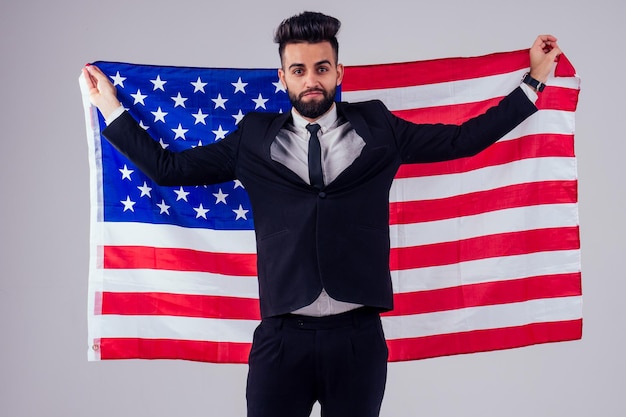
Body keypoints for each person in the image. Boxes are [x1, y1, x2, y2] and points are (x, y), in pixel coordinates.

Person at [82, 11, 561, 417]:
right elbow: (170, 169)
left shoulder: (379, 126)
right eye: (298, 70)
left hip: (357, 340)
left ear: (338, 72)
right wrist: (110, 107)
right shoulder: (253, 137)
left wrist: (534, 81)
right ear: (282, 77)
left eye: (321, 68)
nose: (311, 80)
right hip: (281, 339)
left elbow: (463, 140)